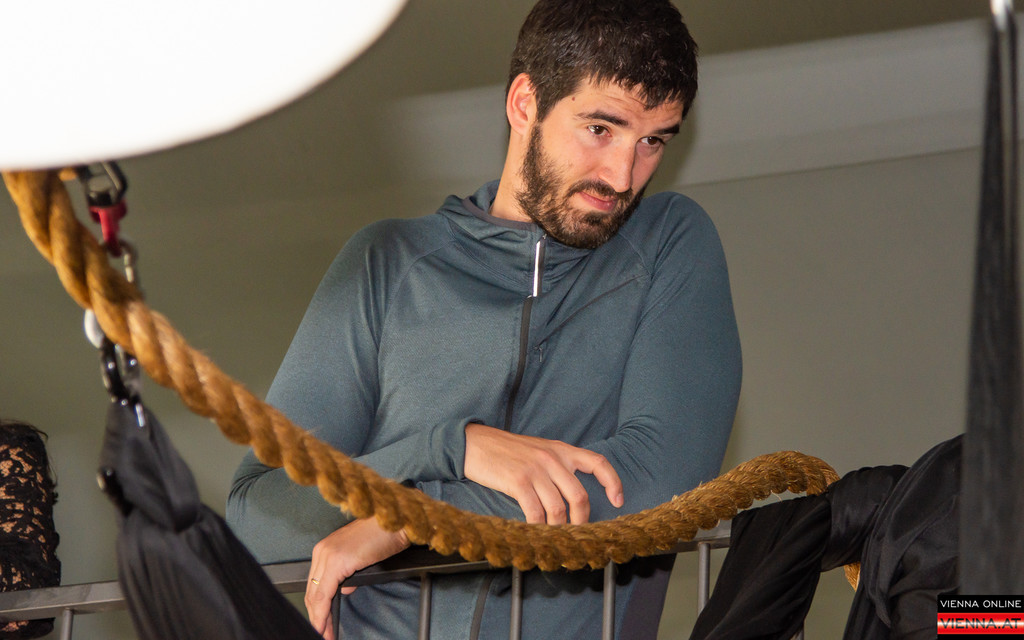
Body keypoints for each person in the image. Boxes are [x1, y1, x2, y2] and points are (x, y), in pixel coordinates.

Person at [227, 0, 742, 637]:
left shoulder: (668, 243)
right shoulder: (387, 261)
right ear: (525, 103)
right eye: (600, 129)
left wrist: (413, 515)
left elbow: (657, 479)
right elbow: (256, 517)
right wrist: (454, 448)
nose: (622, 176)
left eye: (653, 141)